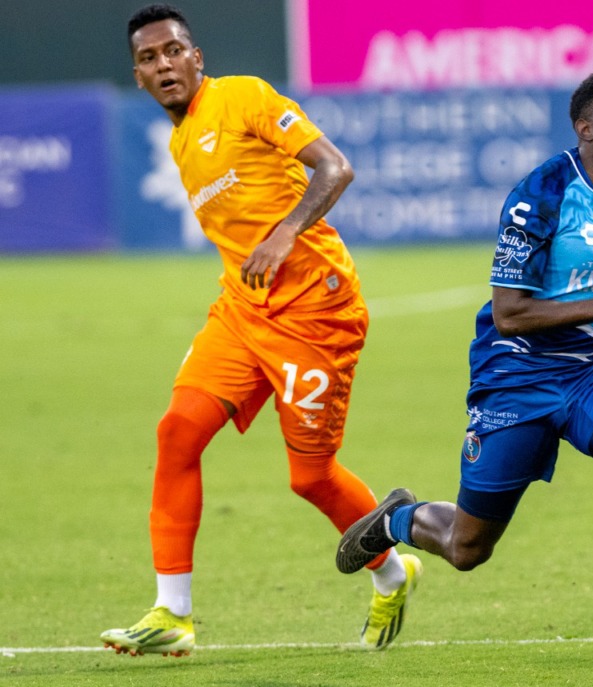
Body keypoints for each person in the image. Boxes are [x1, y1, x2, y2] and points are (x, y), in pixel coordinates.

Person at [336, 70, 593, 679]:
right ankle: (399, 518)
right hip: (519, 374)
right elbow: (510, 313)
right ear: (585, 129)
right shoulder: (542, 194)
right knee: (468, 548)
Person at [101, 4, 421, 657]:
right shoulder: (181, 139)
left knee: (309, 478)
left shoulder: (243, 97)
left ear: (197, 58)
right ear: (136, 76)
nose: (163, 65)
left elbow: (335, 168)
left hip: (316, 314)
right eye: (149, 58)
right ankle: (173, 611)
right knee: (177, 430)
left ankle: (390, 567)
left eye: (173, 51)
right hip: (245, 311)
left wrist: (284, 232)